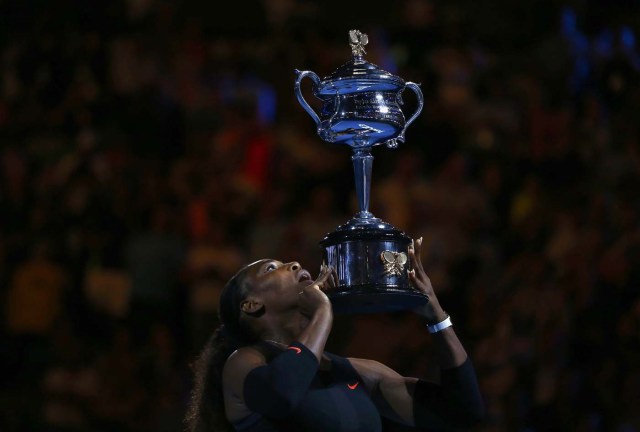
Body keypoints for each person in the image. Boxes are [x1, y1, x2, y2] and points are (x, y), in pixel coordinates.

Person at [186, 238, 484, 431]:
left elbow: (462, 411)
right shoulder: (244, 362)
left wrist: (437, 317)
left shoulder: (357, 371)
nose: (295, 264)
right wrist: (323, 312)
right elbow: (282, 396)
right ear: (252, 305)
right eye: (271, 269)